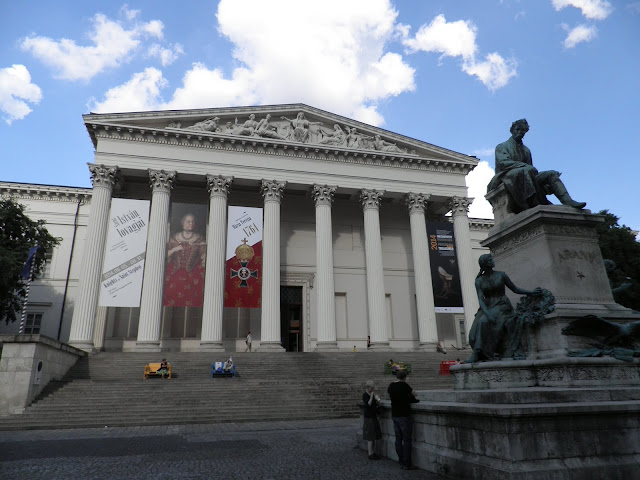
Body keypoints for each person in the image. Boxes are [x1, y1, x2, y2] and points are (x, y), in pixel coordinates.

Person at [487, 118, 586, 214]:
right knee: (526, 171)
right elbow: (503, 162)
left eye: (523, 130)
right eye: (518, 129)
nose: (520, 132)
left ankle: (568, 201)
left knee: (551, 174)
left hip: (525, 174)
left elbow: (531, 169)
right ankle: (533, 202)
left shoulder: (526, 150)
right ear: (512, 130)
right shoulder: (502, 146)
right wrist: (524, 166)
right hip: (506, 175)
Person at [466, 254, 543, 363]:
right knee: (473, 332)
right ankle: (481, 351)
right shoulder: (479, 280)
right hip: (487, 306)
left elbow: (515, 289)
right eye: (490, 259)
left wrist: (531, 292)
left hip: (502, 305)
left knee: (483, 322)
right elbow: (480, 299)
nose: (493, 261)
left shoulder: (501, 275)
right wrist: (487, 313)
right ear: (486, 263)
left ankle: (477, 352)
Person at [163, 213, 206, 307]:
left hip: (193, 273)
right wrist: (175, 249)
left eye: (192, 222)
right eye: (188, 221)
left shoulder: (199, 238)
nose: (190, 224)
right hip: (174, 273)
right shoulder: (175, 237)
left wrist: (204, 259)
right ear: (183, 223)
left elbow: (203, 255)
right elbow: (165, 254)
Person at [387, 370, 418, 470]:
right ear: (404, 378)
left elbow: (388, 395)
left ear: (396, 377)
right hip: (404, 415)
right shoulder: (404, 385)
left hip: (395, 415)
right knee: (407, 440)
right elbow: (415, 394)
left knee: (398, 440)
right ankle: (407, 463)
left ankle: (401, 461)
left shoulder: (391, 385)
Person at [362, 380, 382, 460]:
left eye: (373, 387)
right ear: (368, 387)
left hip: (373, 416)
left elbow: (378, 402)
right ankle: (370, 454)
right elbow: (368, 404)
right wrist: (371, 396)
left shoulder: (372, 394)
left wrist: (377, 398)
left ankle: (373, 452)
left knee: (374, 436)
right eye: (372, 388)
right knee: (370, 436)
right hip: (369, 417)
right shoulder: (365, 395)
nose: (373, 389)